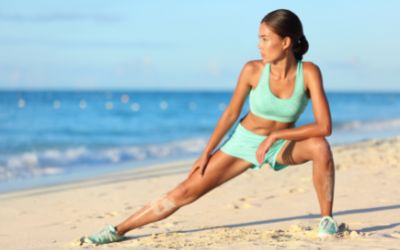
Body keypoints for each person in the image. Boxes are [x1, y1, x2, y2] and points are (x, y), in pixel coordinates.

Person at [80, 9, 338, 245]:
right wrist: (207, 151)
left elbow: (324, 126)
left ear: (285, 42)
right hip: (243, 142)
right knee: (185, 191)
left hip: (279, 145)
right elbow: (230, 114)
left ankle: (326, 220)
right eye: (259, 39)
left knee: (320, 147)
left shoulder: (310, 73)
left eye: (265, 39)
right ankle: (118, 229)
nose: (259, 45)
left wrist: (278, 135)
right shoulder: (252, 70)